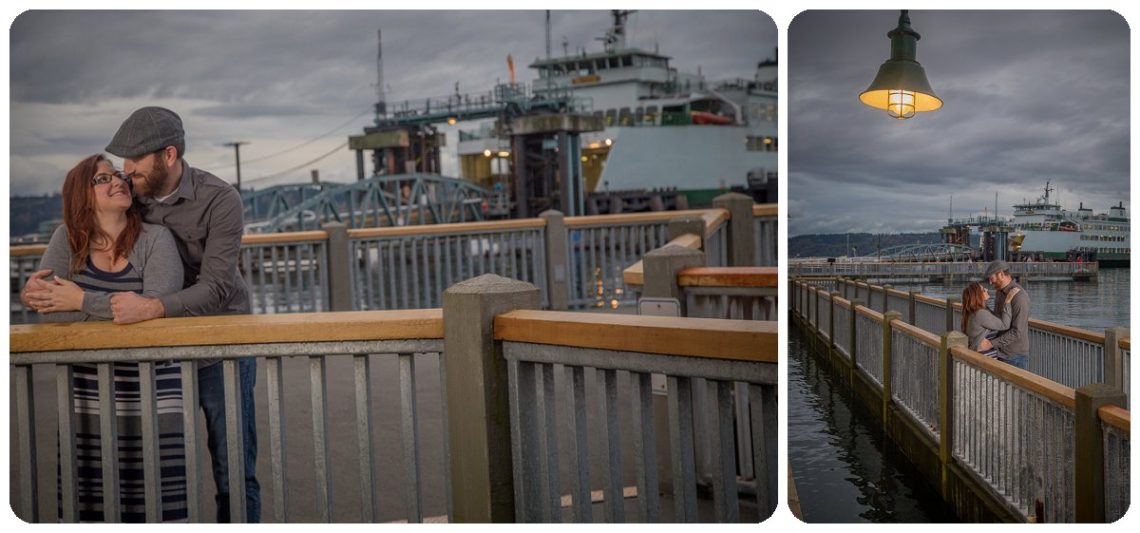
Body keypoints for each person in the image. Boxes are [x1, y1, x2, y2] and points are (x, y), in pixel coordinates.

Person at [27, 107, 260, 522]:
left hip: (218, 343)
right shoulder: (131, 198)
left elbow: (217, 287)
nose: (125, 171)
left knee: (233, 468)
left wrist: (143, 305)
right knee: (152, 462)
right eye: (118, 167)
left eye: (133, 160)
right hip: (160, 354)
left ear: (168, 156)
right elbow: (82, 247)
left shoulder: (220, 199)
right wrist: (40, 288)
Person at [21, 154, 186, 521]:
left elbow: (153, 309)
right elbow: (52, 309)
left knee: (158, 494)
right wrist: (35, 295)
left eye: (118, 175)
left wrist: (81, 299)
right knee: (91, 497)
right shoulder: (67, 238)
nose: (118, 181)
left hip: (154, 385)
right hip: (87, 388)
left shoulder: (156, 238)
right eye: (102, 178)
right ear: (82, 194)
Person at [977, 260, 1031, 369]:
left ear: (1001, 274)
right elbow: (997, 321)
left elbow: (1017, 332)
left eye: (991, 277)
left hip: (1014, 356)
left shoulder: (1019, 297)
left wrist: (990, 344)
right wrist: (983, 304)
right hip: (1000, 352)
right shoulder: (1000, 292)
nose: (990, 282)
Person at [960, 282, 1020, 358]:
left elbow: (996, 319)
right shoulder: (980, 313)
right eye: (983, 290)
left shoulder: (975, 311)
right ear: (977, 295)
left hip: (980, 354)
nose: (986, 289)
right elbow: (1005, 325)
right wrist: (1007, 301)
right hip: (982, 357)